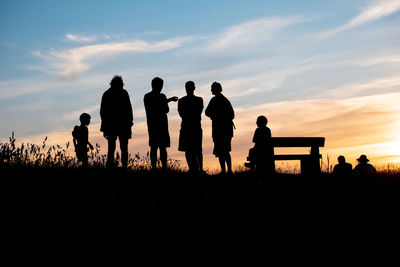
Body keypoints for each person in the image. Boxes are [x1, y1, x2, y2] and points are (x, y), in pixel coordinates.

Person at [144, 77, 178, 170]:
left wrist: (169, 100)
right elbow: (166, 109)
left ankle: (153, 167)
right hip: (162, 126)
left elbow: (154, 105)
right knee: (162, 148)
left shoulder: (147, 96)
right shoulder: (162, 96)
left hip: (151, 125)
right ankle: (164, 167)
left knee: (153, 148)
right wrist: (168, 100)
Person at [100, 75, 133, 168]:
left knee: (116, 148)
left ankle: (118, 166)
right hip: (117, 125)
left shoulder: (108, 94)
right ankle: (121, 166)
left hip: (119, 125)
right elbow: (103, 112)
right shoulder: (115, 93)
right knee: (118, 148)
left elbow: (103, 112)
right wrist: (130, 122)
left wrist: (130, 122)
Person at [205, 82, 235, 174]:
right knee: (223, 151)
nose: (211, 90)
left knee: (223, 151)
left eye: (212, 88)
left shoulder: (216, 100)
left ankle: (227, 170)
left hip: (220, 130)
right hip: (224, 130)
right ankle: (226, 170)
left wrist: (215, 116)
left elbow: (207, 112)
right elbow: (207, 112)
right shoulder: (225, 100)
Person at [178, 81, 204, 173]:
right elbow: (198, 112)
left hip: (187, 126)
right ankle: (198, 169)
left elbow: (181, 114)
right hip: (194, 126)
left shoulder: (181, 101)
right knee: (196, 150)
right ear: (194, 88)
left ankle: (194, 169)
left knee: (191, 150)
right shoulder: (199, 100)